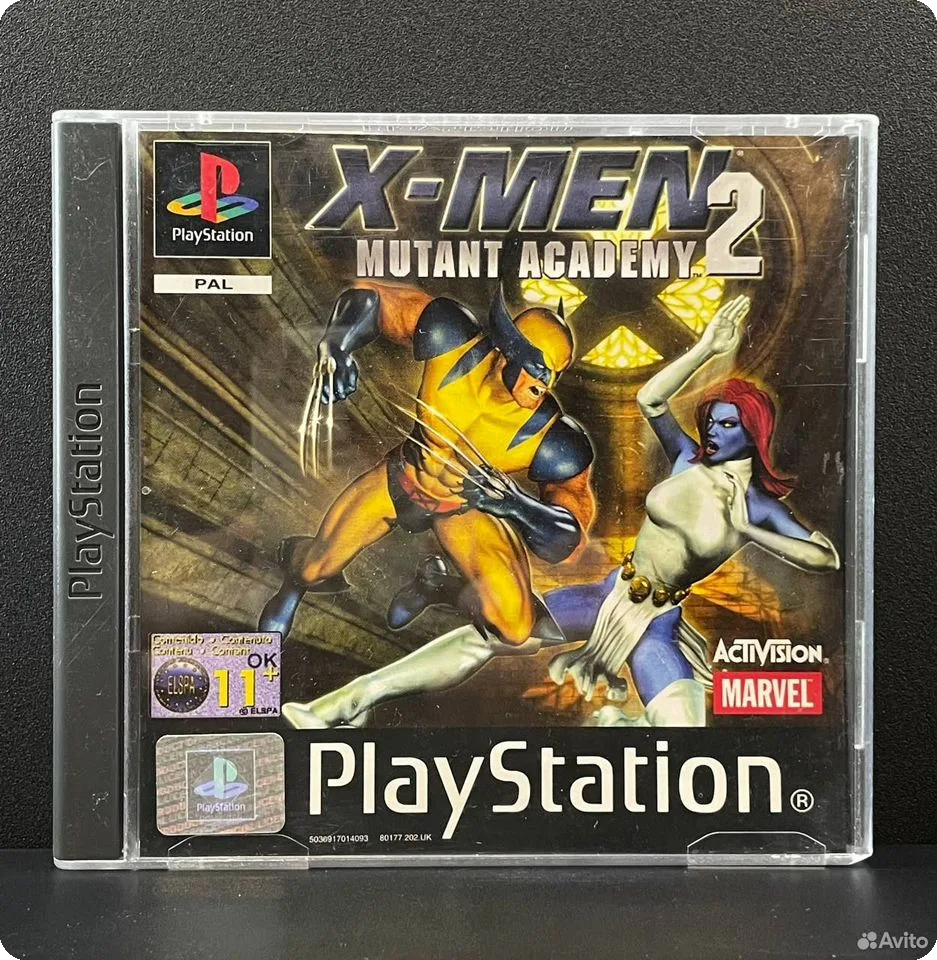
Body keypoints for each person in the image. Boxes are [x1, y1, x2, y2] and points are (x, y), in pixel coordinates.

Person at [265, 283, 596, 729]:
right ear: (508, 350)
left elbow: (568, 532)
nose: (544, 383)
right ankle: (292, 587)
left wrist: (517, 506)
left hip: (464, 508)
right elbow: (370, 300)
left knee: (516, 628)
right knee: (313, 567)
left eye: (554, 373)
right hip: (402, 479)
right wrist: (336, 345)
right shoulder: (451, 338)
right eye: (538, 366)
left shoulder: (554, 439)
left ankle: (438, 586)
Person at [546, 294, 841, 726]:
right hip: (606, 595)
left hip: (658, 622)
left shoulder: (757, 505)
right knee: (494, 629)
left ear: (754, 433)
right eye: (711, 422)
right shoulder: (688, 458)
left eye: (728, 424)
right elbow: (651, 400)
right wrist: (707, 348)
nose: (713, 432)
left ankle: (617, 723)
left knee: (683, 728)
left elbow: (826, 557)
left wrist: (749, 529)